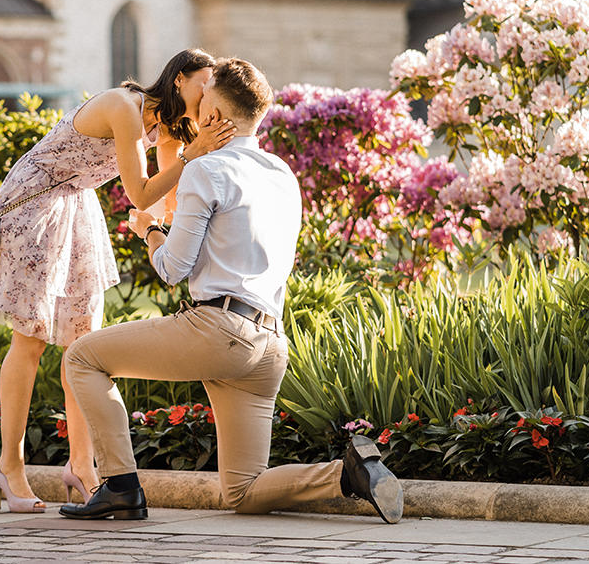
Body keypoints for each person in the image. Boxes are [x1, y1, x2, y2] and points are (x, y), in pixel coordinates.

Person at [60, 57, 404, 523]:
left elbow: (173, 268)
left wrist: (149, 229)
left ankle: (120, 484)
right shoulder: (282, 174)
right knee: (241, 492)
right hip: (269, 345)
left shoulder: (206, 169)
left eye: (201, 102)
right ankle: (347, 476)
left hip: (218, 330)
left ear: (214, 118)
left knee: (82, 357)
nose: (193, 111)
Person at [0, 49, 236, 512]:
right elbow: (139, 192)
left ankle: (83, 467)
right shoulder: (124, 105)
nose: (209, 92)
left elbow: (162, 203)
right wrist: (194, 154)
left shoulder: (172, 130)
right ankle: (9, 465)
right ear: (179, 80)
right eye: (205, 82)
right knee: (30, 340)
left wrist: (181, 224)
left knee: (83, 344)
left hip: (77, 204)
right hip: (35, 201)